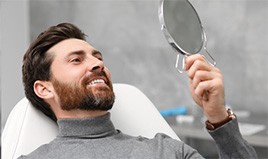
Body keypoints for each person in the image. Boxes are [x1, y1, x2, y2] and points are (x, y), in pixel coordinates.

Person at [20, 23, 257, 159]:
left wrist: (218, 117)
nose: (97, 64)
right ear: (44, 89)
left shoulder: (166, 150)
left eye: (98, 57)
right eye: (76, 60)